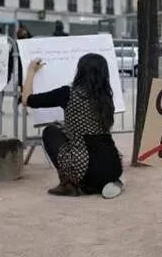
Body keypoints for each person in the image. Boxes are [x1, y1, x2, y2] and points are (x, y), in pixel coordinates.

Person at [21, 53, 123, 199]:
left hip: (86, 168)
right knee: (64, 129)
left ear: (80, 71)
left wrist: (31, 71)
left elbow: (27, 100)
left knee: (50, 131)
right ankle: (106, 182)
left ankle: (69, 184)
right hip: (113, 165)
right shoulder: (106, 98)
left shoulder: (68, 93)